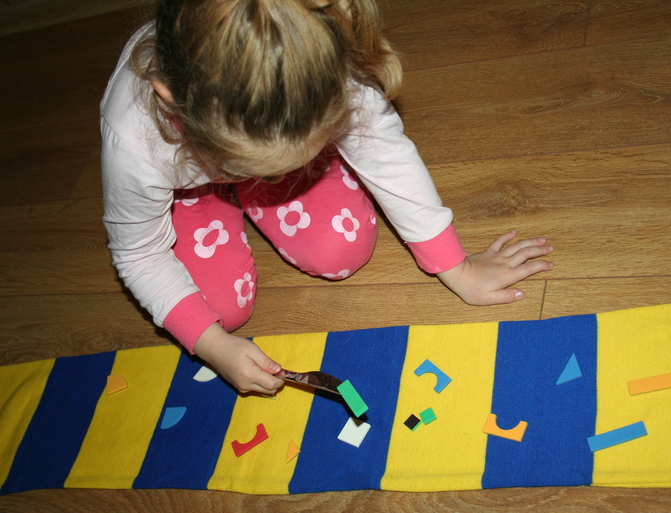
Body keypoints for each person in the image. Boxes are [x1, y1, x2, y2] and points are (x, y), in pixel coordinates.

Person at [101, 0, 554, 396]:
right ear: (171, 100)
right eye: (255, 164)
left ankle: (285, 158)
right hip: (189, 187)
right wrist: (212, 345)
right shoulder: (135, 141)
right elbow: (139, 255)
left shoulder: (323, 56)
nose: (271, 175)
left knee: (341, 247)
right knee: (216, 312)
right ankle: (236, 180)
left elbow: (388, 158)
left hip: (270, 140)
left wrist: (456, 267)